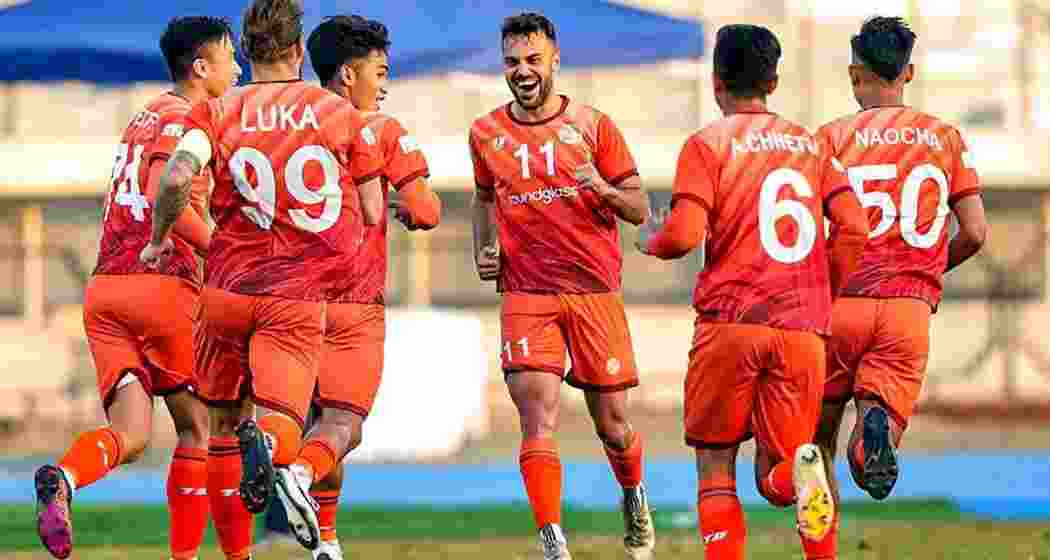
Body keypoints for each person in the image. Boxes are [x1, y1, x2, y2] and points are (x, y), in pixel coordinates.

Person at [140, 0, 386, 556]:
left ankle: (235, 552)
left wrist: (158, 239)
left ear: (247, 54)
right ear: (299, 50)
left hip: (225, 292)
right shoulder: (336, 113)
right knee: (284, 424)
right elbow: (372, 210)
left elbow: (177, 174)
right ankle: (275, 458)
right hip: (292, 298)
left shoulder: (219, 109)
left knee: (221, 428)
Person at [638, 24, 869, 560]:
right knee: (779, 474)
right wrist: (819, 294)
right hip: (802, 331)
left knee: (717, 464)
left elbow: (685, 234)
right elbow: (854, 227)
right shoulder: (811, 146)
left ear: (716, 82)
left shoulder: (707, 145)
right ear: (774, 80)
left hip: (730, 324)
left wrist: (653, 240)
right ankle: (802, 482)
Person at [33, 16, 241, 560]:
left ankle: (66, 478)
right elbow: (159, 189)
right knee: (199, 427)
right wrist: (222, 250)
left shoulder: (144, 116)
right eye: (229, 58)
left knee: (132, 434)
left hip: (106, 293)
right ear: (201, 68)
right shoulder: (185, 118)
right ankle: (185, 556)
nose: (238, 69)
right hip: (161, 287)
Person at [469, 12, 654, 560]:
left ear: (554, 61)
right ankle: (553, 540)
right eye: (511, 62)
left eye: (531, 60)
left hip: (594, 293)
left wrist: (599, 185)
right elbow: (483, 198)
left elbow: (641, 208)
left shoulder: (595, 126)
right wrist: (484, 245)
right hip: (527, 295)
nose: (521, 71)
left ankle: (632, 494)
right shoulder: (485, 133)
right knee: (537, 418)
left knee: (614, 425)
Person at [812, 16, 987, 558]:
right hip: (908, 308)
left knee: (816, 444)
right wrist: (927, 271)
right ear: (908, 72)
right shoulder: (945, 138)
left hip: (839, 303)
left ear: (854, 73)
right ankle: (874, 431)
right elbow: (975, 232)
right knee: (878, 409)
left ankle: (824, 551)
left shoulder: (829, 139)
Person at [283, 14, 441, 560]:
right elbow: (425, 210)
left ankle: (325, 542)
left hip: (284, 298)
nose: (385, 82)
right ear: (349, 75)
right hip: (352, 300)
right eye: (380, 70)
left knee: (310, 423)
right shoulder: (379, 128)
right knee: (344, 424)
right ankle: (298, 478)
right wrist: (402, 207)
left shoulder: (286, 120)